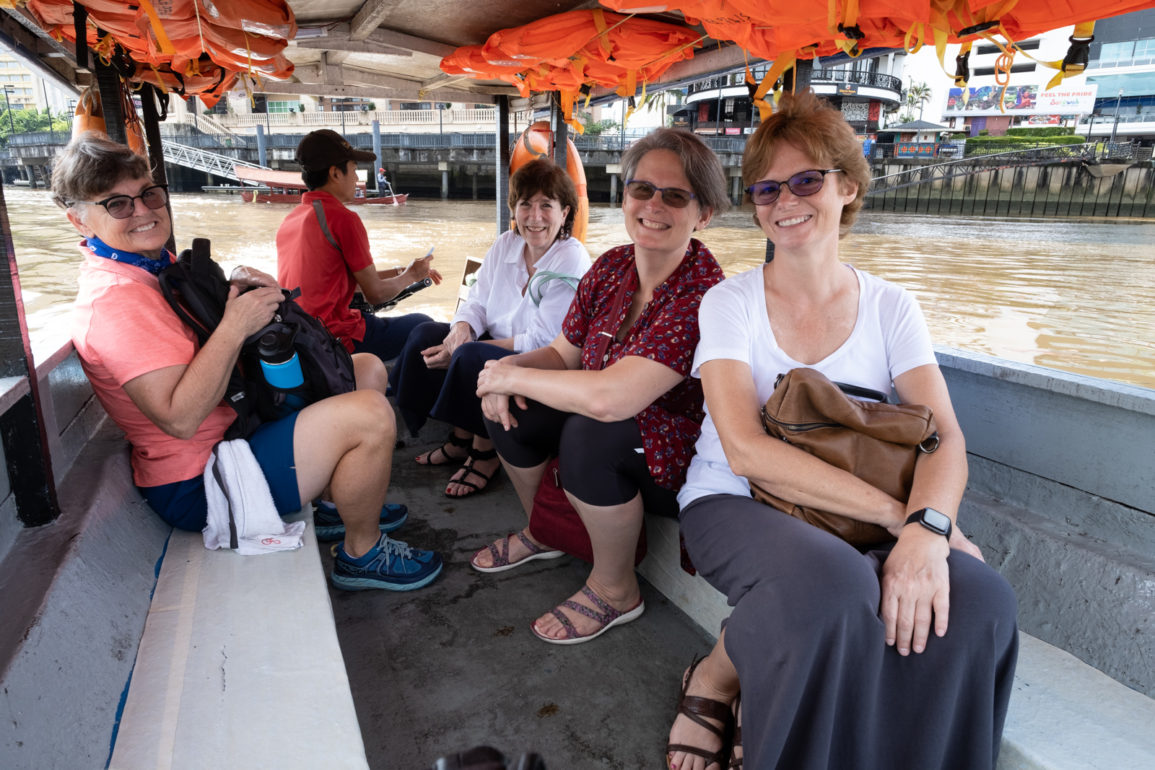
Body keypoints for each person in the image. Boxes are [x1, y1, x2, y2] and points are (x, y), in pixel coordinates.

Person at [666, 91, 1018, 770]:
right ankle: (730, 689)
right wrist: (903, 522)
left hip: (847, 513)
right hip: (734, 499)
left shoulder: (891, 306)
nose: (783, 199)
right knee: (830, 588)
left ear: (846, 186)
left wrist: (930, 528)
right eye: (765, 188)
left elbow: (942, 437)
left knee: (982, 601)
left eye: (806, 180)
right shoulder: (729, 302)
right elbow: (745, 450)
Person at [58, 131, 442, 592]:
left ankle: (341, 505)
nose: (143, 211)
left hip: (234, 432)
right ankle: (363, 553)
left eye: (148, 194)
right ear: (80, 221)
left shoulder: (146, 270)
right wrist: (234, 325)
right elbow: (179, 419)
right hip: (203, 480)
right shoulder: (117, 300)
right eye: (117, 204)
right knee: (372, 414)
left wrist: (232, 290)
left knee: (366, 369)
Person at [470, 129, 729, 644]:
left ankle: (616, 590)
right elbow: (563, 356)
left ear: (703, 214)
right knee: (510, 403)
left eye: (675, 195)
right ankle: (544, 528)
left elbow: (615, 399)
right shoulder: (610, 267)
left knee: (590, 430)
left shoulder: (704, 293)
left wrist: (510, 372)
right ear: (625, 195)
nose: (654, 205)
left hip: (673, 453)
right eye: (642, 190)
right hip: (611, 421)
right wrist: (502, 375)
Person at [391, 158, 591, 498]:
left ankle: (484, 455)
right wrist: (461, 331)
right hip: (492, 344)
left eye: (547, 205)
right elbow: (476, 302)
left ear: (565, 212)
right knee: (425, 334)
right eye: (525, 204)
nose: (535, 216)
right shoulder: (505, 245)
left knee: (473, 357)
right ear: (514, 208)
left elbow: (543, 341)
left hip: (542, 362)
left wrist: (465, 351)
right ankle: (458, 439)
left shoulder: (571, 259)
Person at [276, 129, 442, 364]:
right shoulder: (342, 218)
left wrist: (403, 272)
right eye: (354, 170)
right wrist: (412, 275)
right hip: (334, 337)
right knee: (424, 326)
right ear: (335, 173)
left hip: (301, 336)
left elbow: (339, 280)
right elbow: (374, 294)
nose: (357, 179)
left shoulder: (292, 218)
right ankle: (399, 393)